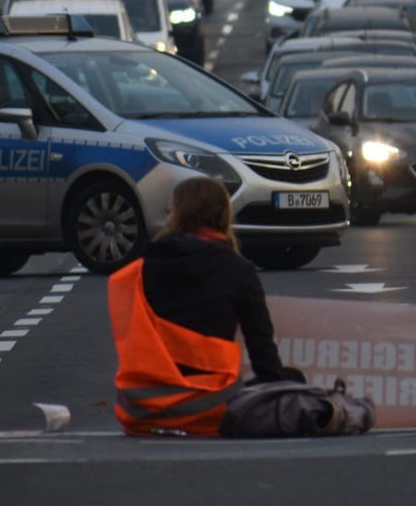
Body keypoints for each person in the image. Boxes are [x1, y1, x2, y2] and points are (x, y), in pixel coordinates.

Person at [106, 177, 304, 437]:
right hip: (210, 408)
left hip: (140, 407)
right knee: (293, 379)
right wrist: (284, 389)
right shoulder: (238, 269)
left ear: (175, 214)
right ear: (224, 215)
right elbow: (262, 353)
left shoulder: (143, 270)